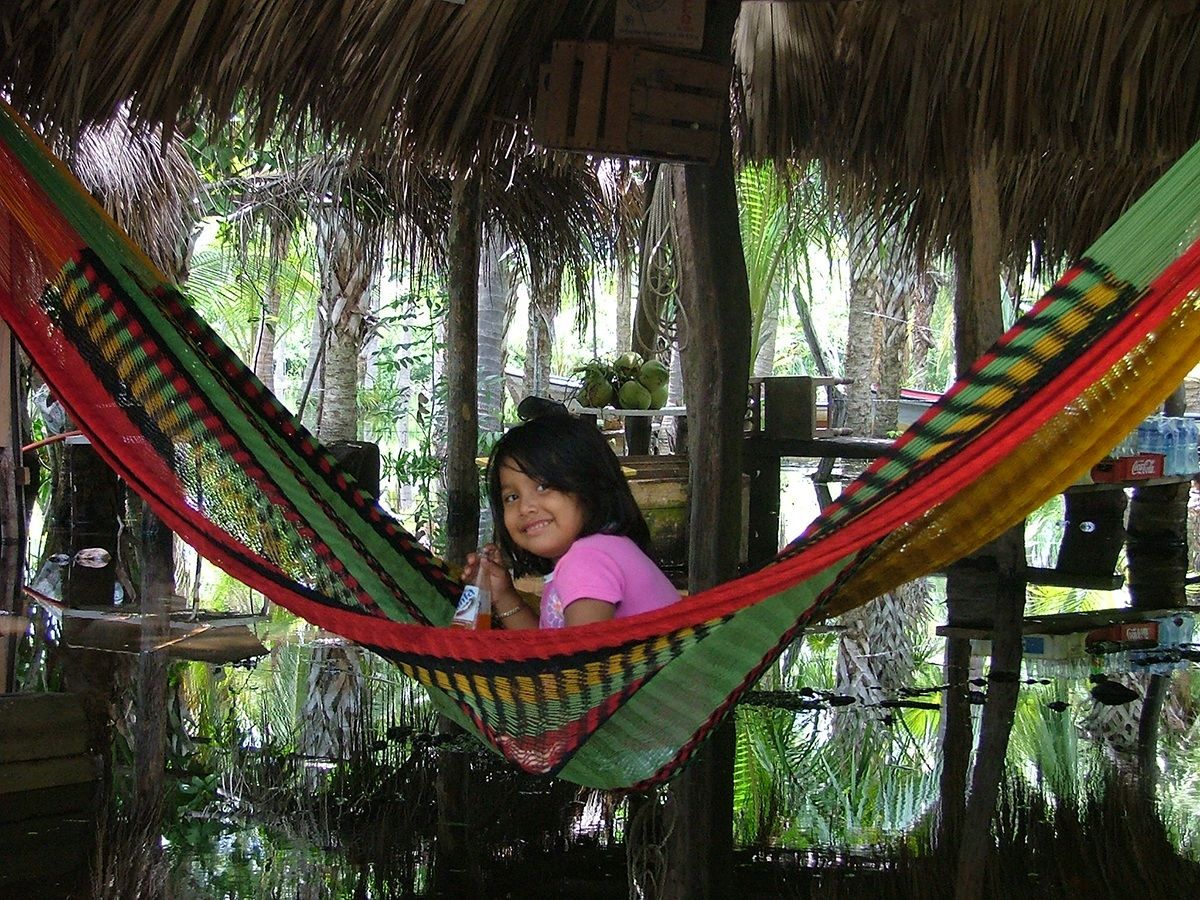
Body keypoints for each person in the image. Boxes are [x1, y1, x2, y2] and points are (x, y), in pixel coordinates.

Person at [462, 398, 680, 629]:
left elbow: (577, 661)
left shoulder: (587, 559)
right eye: (512, 497)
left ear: (591, 486)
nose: (525, 507)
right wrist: (503, 595)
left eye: (543, 486)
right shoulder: (595, 552)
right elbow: (548, 649)